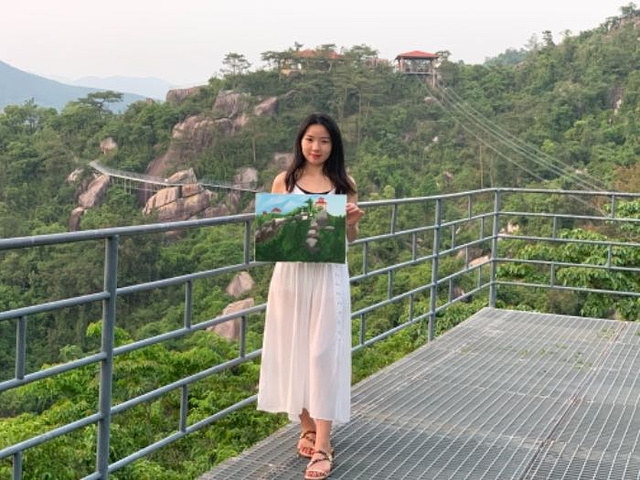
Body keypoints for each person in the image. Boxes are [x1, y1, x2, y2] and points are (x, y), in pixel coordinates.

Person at [257, 113, 364, 479]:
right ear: (300, 142)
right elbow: (271, 232)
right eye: (310, 139)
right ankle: (306, 426)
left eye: (324, 141)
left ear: (334, 145)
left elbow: (349, 240)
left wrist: (351, 224)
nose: (316, 147)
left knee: (322, 354)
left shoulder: (344, 184)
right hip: (291, 276)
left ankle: (324, 444)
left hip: (328, 276)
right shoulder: (284, 181)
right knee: (295, 350)